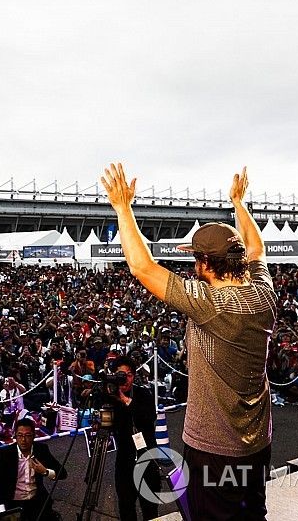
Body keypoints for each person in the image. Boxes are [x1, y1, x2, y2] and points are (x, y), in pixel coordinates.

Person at [101, 164, 275, 520]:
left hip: (214, 449)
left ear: (205, 264)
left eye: (195, 258)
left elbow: (142, 267)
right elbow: (257, 248)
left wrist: (122, 208)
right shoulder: (264, 291)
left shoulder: (210, 304)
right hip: (258, 442)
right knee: (252, 512)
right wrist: (239, 204)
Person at [99, 357, 159, 521]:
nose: (125, 379)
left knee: (150, 508)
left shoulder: (143, 393)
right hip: (124, 461)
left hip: (146, 457)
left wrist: (125, 400)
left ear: (134, 376)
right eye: (121, 374)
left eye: (129, 374)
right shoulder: (109, 397)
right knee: (126, 507)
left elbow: (149, 417)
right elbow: (106, 425)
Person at [0, 417, 67, 521]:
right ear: (15, 436)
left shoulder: (41, 450)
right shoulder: (5, 454)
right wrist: (3, 513)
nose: (23, 440)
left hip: (37, 500)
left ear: (33, 436)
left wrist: (45, 472)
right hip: (14, 503)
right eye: (20, 435)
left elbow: (63, 473)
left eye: (27, 436)